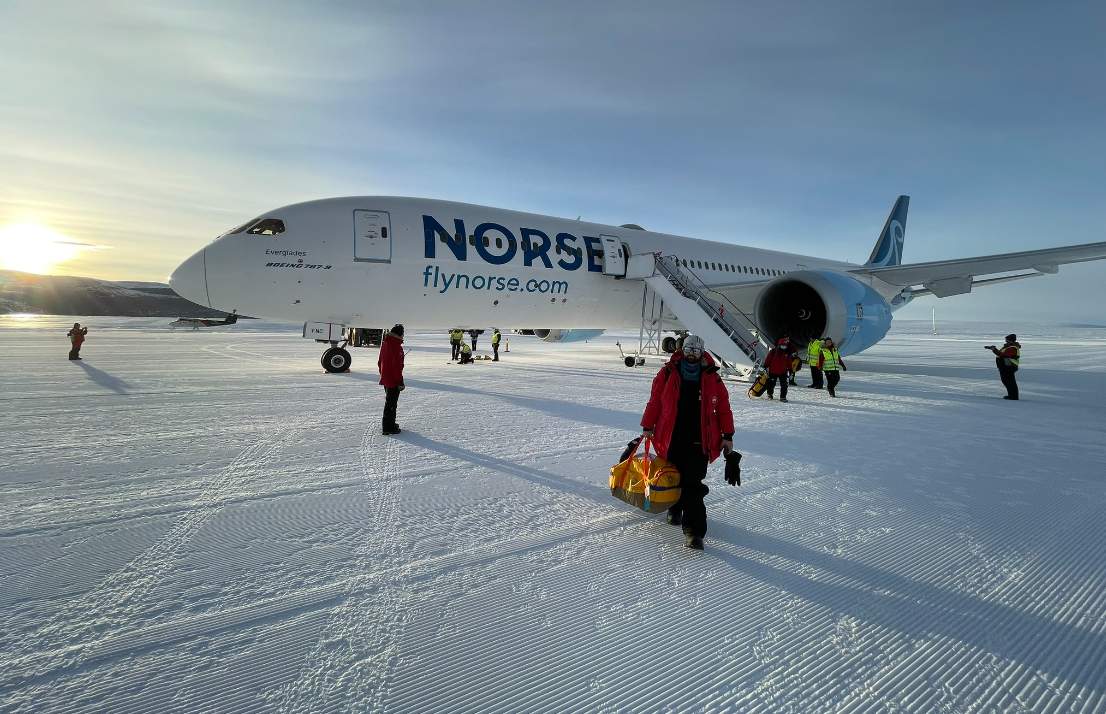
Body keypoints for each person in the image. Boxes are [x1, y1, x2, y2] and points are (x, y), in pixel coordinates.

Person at [639, 334, 735, 550]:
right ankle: (674, 508)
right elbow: (655, 401)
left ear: (702, 353)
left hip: (700, 440)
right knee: (672, 477)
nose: (692, 354)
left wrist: (727, 435)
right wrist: (647, 427)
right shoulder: (667, 373)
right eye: (689, 349)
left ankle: (694, 532)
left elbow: (723, 408)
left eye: (696, 350)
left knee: (693, 485)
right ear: (682, 350)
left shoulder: (712, 377)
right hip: (671, 437)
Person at [378, 324, 405, 435]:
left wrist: (383, 374)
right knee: (391, 404)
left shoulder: (385, 344)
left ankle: (390, 424)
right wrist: (400, 381)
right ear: (400, 335)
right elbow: (396, 367)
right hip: (393, 380)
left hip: (386, 378)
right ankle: (388, 427)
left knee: (390, 403)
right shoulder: (396, 347)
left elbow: (380, 362)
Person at [986, 333, 1021, 400]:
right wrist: (994, 350)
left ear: (1011, 340)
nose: (1006, 341)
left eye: (1007, 340)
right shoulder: (1009, 347)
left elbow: (1004, 355)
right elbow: (1002, 354)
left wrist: (994, 350)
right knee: (1007, 381)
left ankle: (1013, 396)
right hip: (1005, 367)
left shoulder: (1012, 348)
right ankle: (1011, 395)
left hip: (1009, 367)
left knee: (1009, 382)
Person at [762, 337, 793, 402]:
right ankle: (770, 394)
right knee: (771, 384)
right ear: (779, 345)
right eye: (783, 345)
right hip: (773, 371)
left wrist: (790, 370)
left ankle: (783, 397)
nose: (784, 347)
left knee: (784, 385)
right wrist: (765, 367)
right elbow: (768, 360)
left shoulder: (787, 353)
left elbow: (789, 362)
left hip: (783, 371)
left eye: (785, 345)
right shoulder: (773, 352)